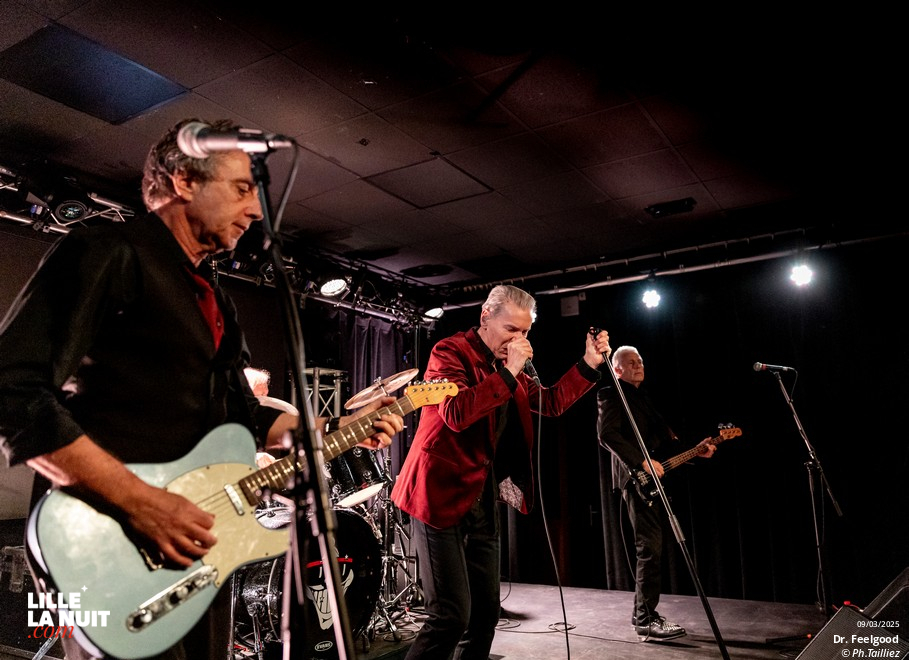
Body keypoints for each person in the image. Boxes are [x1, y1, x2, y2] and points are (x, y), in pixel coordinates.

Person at [0, 118, 404, 660]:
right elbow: (13, 388)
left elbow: (245, 415)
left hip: (196, 540)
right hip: (111, 537)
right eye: (242, 188)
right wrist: (139, 502)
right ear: (184, 179)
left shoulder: (213, 297)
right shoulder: (108, 250)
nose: (257, 210)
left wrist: (339, 429)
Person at [391, 284, 612, 660]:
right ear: (485, 317)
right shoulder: (449, 352)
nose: (519, 340)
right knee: (449, 616)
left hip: (481, 497)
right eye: (512, 330)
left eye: (525, 332)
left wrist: (588, 364)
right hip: (436, 494)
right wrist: (510, 370)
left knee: (485, 616)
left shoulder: (509, 368)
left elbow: (552, 401)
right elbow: (456, 414)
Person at [596, 345, 714, 641]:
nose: (639, 365)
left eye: (641, 360)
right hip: (635, 479)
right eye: (631, 362)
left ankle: (646, 615)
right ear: (618, 369)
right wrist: (640, 463)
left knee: (653, 548)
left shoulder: (644, 399)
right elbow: (606, 434)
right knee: (649, 548)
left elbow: (663, 444)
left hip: (652, 478)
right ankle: (644, 618)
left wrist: (696, 451)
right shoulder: (612, 393)